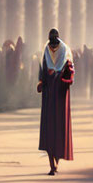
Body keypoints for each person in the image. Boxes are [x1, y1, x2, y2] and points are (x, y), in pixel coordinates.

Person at [37, 28, 74, 175]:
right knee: (49, 128)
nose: (53, 47)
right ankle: (52, 164)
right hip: (48, 95)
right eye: (51, 43)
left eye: (54, 43)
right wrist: (40, 82)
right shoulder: (46, 50)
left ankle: (56, 162)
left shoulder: (65, 51)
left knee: (59, 127)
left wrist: (62, 78)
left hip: (60, 95)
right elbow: (42, 71)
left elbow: (70, 72)